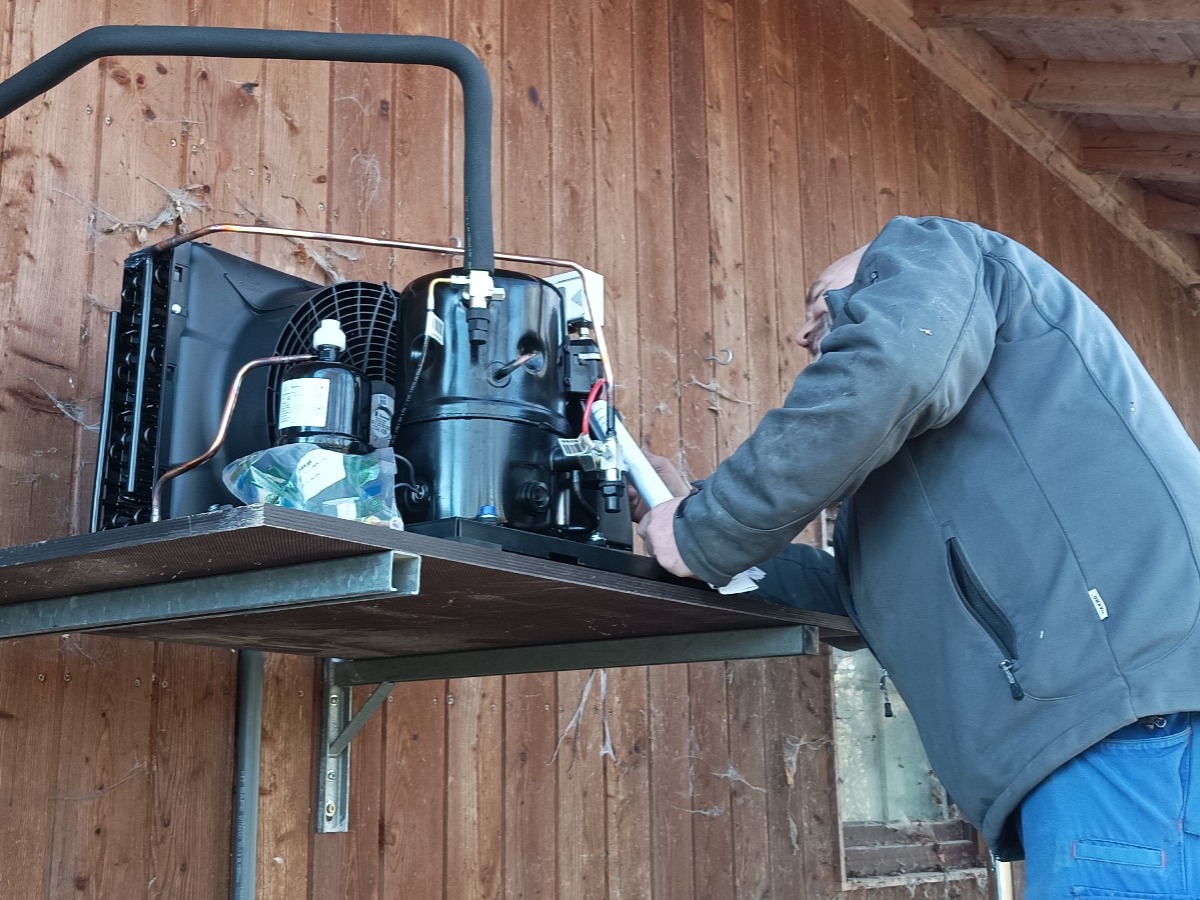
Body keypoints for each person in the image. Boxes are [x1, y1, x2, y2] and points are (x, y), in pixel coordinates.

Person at [635, 216, 1200, 898]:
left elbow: (895, 361)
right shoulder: (939, 477)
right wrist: (687, 517)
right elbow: (861, 598)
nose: (801, 333)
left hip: (1126, 730)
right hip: (1118, 735)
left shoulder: (932, 247)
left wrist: (710, 530)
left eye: (818, 301)